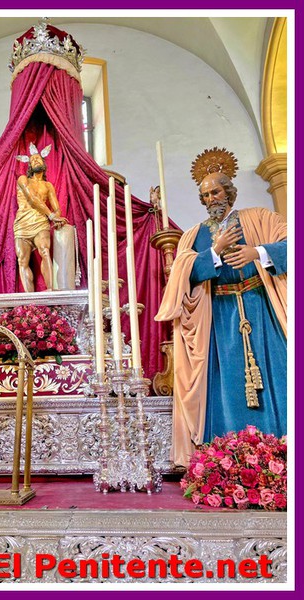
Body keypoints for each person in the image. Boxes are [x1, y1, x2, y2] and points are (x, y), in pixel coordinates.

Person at [155, 147, 287, 467]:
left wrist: (257, 253)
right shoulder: (194, 235)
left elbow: (291, 242)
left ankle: (283, 452)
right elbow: (181, 276)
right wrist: (215, 252)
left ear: (229, 192)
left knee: (277, 376)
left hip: (262, 307)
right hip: (219, 317)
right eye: (205, 194)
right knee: (225, 386)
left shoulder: (260, 217)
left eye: (216, 191)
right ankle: (229, 460)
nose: (211, 198)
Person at [14, 143, 68, 292]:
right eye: (33, 160)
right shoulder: (23, 179)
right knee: (22, 260)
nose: (36, 160)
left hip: (40, 221)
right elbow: (32, 199)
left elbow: (57, 208)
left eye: (38, 159)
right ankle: (29, 298)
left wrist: (57, 217)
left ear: (44, 163)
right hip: (22, 223)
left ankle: (50, 291)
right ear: (29, 166)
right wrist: (51, 215)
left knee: (44, 250)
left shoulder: (48, 185)